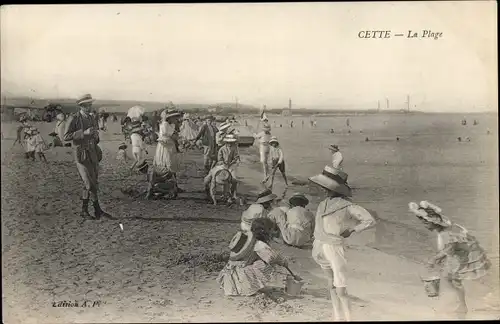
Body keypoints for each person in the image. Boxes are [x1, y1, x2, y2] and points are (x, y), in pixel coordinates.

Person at [309, 166, 376, 321]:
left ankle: (338, 316)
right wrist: (352, 229)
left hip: (318, 246)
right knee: (340, 287)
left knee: (332, 285)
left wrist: (352, 229)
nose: (324, 190)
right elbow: (369, 220)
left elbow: (319, 227)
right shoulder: (347, 206)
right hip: (332, 247)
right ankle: (347, 317)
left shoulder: (322, 204)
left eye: (325, 188)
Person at [409, 201, 491, 317]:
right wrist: (437, 259)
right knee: (449, 277)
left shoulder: (445, 233)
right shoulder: (442, 229)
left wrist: (434, 259)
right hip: (458, 253)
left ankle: (463, 305)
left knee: (453, 278)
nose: (425, 225)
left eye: (427, 223)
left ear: (434, 222)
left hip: (462, 255)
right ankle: (465, 302)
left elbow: (449, 249)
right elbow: (448, 248)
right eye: (423, 223)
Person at [64, 93, 112, 220]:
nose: (89, 107)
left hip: (92, 153)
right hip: (80, 155)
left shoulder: (92, 118)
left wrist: (95, 136)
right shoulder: (74, 118)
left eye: (90, 104)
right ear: (81, 106)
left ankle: (92, 211)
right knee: (89, 184)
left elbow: (95, 135)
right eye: (87, 105)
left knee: (92, 183)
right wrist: (83, 133)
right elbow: (66, 137)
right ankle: (92, 209)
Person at [216, 218, 289, 296]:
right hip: (242, 279)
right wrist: (283, 261)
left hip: (230, 277)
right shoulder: (259, 244)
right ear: (265, 232)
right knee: (264, 265)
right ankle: (250, 288)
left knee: (257, 261)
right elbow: (271, 257)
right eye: (270, 230)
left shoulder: (247, 240)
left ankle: (247, 287)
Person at [147, 109, 183, 199]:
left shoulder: (172, 125)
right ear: (170, 118)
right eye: (175, 117)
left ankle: (174, 185)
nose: (176, 119)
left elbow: (174, 135)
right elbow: (169, 135)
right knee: (168, 164)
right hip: (166, 146)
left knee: (171, 165)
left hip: (169, 145)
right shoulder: (165, 124)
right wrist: (176, 138)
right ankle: (170, 186)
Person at [215, 133, 240, 201]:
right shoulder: (222, 149)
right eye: (228, 142)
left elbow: (236, 157)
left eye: (231, 142)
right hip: (223, 165)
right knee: (225, 179)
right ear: (226, 142)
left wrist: (232, 162)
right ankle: (225, 194)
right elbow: (219, 159)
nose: (230, 143)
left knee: (234, 180)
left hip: (232, 165)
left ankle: (233, 193)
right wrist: (223, 162)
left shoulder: (234, 148)